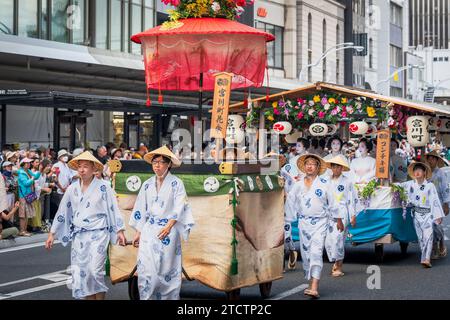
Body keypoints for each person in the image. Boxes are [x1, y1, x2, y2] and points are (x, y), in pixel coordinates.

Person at [45, 151, 126, 300]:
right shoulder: (72, 188)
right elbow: (63, 210)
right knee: (83, 274)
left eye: (86, 167)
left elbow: (113, 208)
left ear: (94, 168)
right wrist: (52, 233)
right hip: (79, 236)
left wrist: (119, 230)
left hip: (99, 234)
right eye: (79, 167)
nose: (82, 170)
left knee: (95, 271)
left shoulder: (104, 187)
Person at [129, 146, 195, 300]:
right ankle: (146, 296)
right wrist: (139, 232)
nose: (157, 165)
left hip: (168, 233)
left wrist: (170, 225)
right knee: (147, 270)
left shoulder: (176, 183)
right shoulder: (146, 185)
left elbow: (181, 206)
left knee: (167, 271)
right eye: (154, 162)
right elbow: (140, 208)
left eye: (161, 162)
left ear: (169, 164)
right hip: (149, 231)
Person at [285, 154, 340, 299]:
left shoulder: (325, 183)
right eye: (307, 164)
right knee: (306, 254)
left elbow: (333, 202)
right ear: (304, 167)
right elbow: (290, 202)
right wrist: (288, 220)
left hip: (320, 222)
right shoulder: (298, 185)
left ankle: (315, 286)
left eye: (313, 164)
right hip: (303, 223)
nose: (309, 166)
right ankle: (311, 281)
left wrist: (339, 219)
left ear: (317, 167)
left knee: (316, 252)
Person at [397, 162, 445, 268]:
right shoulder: (410, 184)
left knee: (428, 236)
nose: (417, 172)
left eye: (419, 170)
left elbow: (435, 201)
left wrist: (437, 215)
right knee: (421, 238)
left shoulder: (430, 186)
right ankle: (425, 256)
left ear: (424, 173)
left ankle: (426, 259)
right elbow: (399, 187)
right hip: (417, 215)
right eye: (415, 170)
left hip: (428, 214)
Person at [324, 155, 356, 277]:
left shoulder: (347, 181)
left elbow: (352, 199)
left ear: (342, 168)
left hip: (343, 212)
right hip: (328, 214)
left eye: (338, 166)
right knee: (328, 241)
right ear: (331, 168)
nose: (336, 169)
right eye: (334, 166)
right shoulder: (326, 180)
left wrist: (353, 215)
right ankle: (335, 260)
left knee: (338, 239)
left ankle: (339, 265)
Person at [425, 150, 449, 259]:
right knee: (429, 226)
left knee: (437, 225)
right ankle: (434, 248)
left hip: (438, 203)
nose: (430, 160)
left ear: (437, 160)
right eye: (429, 158)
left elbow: (445, 189)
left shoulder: (441, 173)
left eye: (433, 158)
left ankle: (442, 241)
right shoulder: (425, 173)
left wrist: (446, 203)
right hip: (427, 204)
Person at [51, 149, 77, 222]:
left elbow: (70, 177)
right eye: (64, 155)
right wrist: (61, 188)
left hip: (66, 190)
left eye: (66, 155)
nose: (66, 157)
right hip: (59, 190)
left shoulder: (67, 165)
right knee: (61, 208)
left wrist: (67, 187)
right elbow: (54, 178)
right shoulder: (56, 165)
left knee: (67, 208)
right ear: (60, 157)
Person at [17, 158, 41, 236]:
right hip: (23, 196)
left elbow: (36, 177)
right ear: (23, 164)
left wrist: (39, 170)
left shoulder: (28, 171)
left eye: (29, 163)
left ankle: (25, 230)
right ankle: (22, 231)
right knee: (22, 214)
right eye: (26, 163)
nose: (28, 164)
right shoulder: (21, 173)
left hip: (29, 195)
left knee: (27, 214)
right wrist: (32, 178)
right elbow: (26, 183)